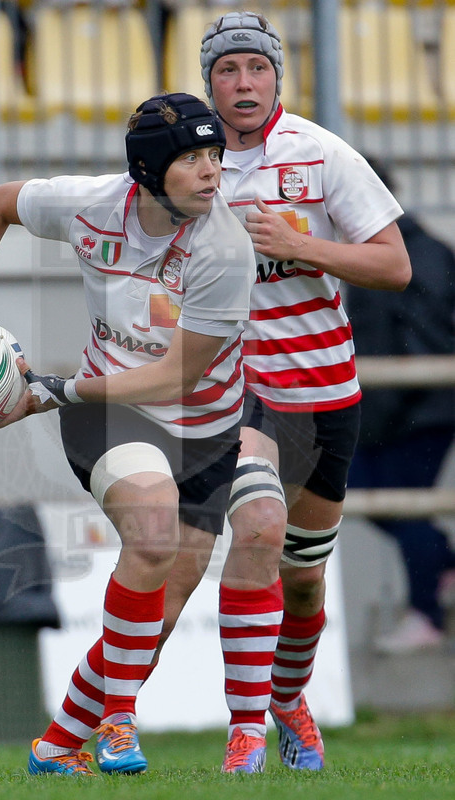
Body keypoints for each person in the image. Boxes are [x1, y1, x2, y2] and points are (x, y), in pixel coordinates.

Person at [31, 12, 413, 775]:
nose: (245, 83)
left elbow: (395, 266)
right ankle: (112, 729)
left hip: (327, 393)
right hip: (240, 394)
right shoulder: (184, 165)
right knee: (202, 554)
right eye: (229, 70)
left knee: (303, 583)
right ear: (209, 81)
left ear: (278, 77)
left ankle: (287, 702)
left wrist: (303, 245)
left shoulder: (320, 155)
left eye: (258, 69)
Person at [0, 92, 258, 775]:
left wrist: (53, 390)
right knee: (153, 529)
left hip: (205, 431)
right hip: (111, 412)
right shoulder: (88, 205)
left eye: (215, 157)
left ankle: (56, 744)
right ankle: (118, 721)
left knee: (154, 619)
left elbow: (176, 377)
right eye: (192, 158)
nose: (210, 173)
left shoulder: (225, 248)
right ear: (148, 168)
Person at [346, 158, 455, 654]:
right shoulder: (380, 249)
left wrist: (376, 417)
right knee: (364, 495)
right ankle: (442, 571)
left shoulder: (416, 252)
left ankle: (427, 612)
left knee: (402, 505)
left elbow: (423, 343)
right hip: (396, 410)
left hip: (421, 409)